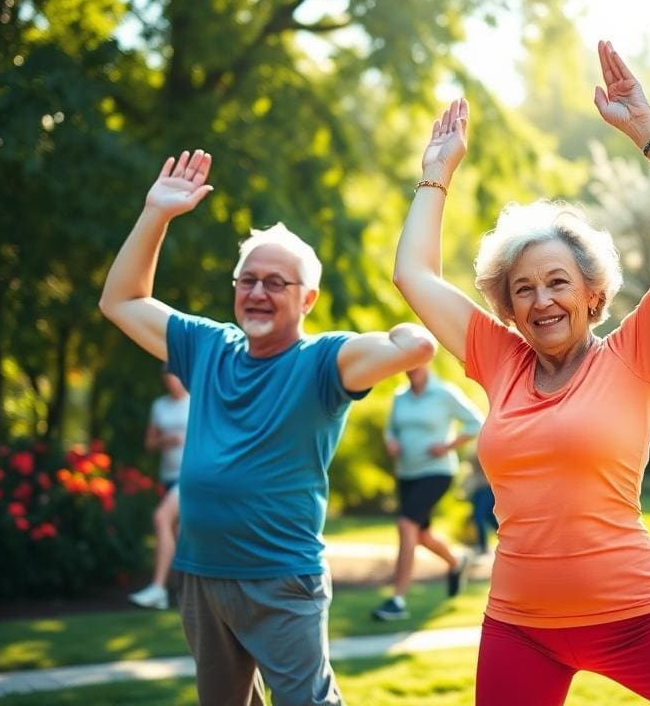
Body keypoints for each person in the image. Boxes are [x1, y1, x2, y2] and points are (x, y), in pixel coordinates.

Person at [393, 41, 650, 705]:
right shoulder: (500, 359)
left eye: (558, 282)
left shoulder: (636, 351)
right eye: (522, 289)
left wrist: (648, 130)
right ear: (508, 307)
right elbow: (412, 274)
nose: (541, 300)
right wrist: (437, 174)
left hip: (637, 619)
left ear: (592, 294)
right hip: (518, 630)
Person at [99, 149, 436, 706]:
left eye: (276, 283)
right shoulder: (206, 346)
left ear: (308, 299)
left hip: (280, 579)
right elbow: (122, 300)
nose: (257, 292)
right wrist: (154, 214)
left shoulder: (323, 363)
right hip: (201, 573)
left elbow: (416, 345)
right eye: (247, 280)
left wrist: (405, 323)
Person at [371, 364, 484, 621]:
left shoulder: (444, 393)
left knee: (405, 524)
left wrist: (447, 446)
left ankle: (397, 600)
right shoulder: (401, 397)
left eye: (415, 363)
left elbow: (476, 422)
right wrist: (391, 441)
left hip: (437, 472)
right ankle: (457, 561)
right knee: (420, 535)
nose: (410, 370)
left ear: (426, 362)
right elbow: (391, 429)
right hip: (406, 473)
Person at [128, 365, 190, 610]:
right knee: (177, 534)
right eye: (165, 377)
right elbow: (150, 443)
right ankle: (184, 592)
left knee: (160, 518)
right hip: (168, 475)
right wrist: (166, 440)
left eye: (173, 376)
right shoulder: (159, 405)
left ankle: (157, 588)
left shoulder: (196, 401)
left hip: (190, 477)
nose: (170, 381)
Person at [461, 449, 498, 555]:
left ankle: (482, 546)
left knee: (479, 516)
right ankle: (509, 540)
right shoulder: (476, 447)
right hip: (477, 488)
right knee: (488, 516)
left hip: (486, 487)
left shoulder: (489, 448)